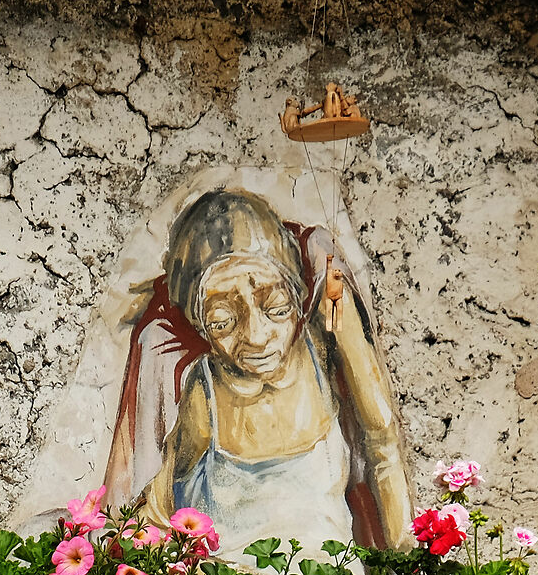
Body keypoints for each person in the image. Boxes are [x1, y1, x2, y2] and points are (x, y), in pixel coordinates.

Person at [116, 188, 413, 549]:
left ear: (298, 299)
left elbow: (383, 442)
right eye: (223, 321)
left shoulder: (322, 346)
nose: (256, 337)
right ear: (200, 326)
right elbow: (156, 518)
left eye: (275, 308)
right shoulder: (200, 394)